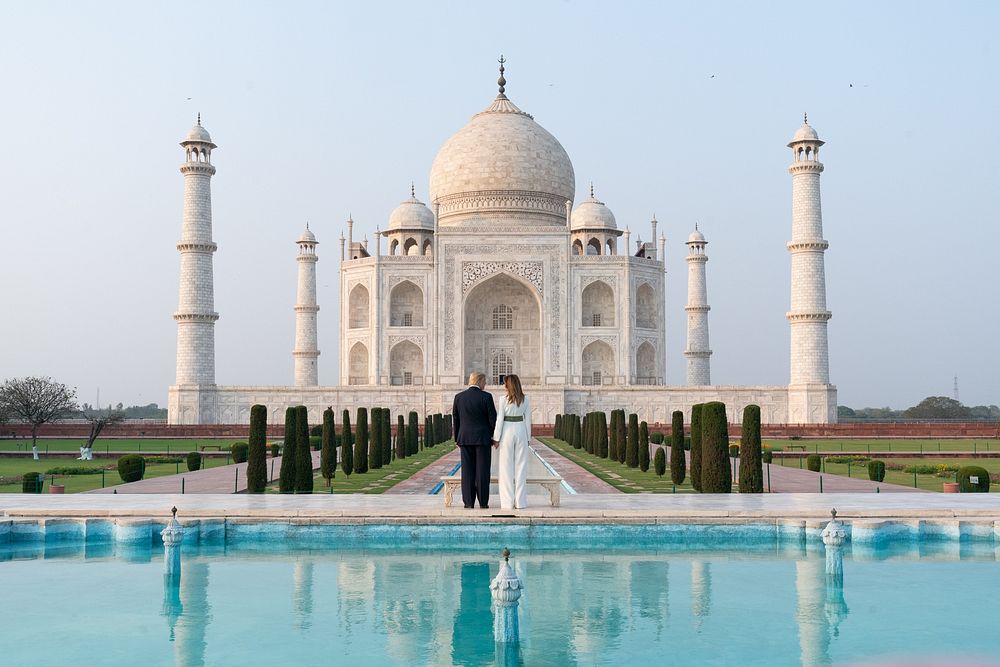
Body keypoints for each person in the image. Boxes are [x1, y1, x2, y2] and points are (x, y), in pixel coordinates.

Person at [452, 372, 498, 509]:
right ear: (480, 381)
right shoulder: (486, 397)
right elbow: (492, 420)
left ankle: (468, 502)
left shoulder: (459, 397)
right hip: (483, 439)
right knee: (482, 472)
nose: (485, 384)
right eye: (484, 382)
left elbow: (456, 419)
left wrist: (457, 438)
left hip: (465, 439)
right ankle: (483, 502)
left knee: (467, 472)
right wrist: (492, 436)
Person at [492, 374, 531, 510]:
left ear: (508, 385)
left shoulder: (503, 400)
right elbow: (528, 420)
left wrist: (496, 438)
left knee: (505, 468)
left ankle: (507, 503)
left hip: (507, 432)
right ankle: (520, 502)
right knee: (521, 468)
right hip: (521, 431)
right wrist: (528, 438)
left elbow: (500, 420)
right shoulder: (525, 399)